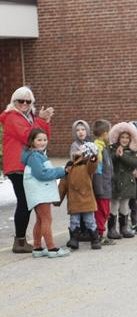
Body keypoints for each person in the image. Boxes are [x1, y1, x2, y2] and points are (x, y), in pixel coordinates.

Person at [0, 87, 55, 253]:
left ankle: (25, 240)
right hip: (17, 165)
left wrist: (43, 121)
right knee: (24, 202)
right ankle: (20, 241)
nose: (24, 104)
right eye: (20, 101)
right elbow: (29, 137)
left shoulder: (30, 117)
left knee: (28, 203)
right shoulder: (11, 117)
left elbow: (43, 137)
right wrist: (40, 120)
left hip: (28, 165)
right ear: (14, 102)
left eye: (28, 101)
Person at [21, 128, 70, 258]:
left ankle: (37, 247)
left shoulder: (38, 154)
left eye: (45, 139)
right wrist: (62, 171)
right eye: (39, 140)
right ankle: (52, 248)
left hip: (39, 193)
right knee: (47, 219)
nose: (42, 142)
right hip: (40, 193)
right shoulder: (35, 156)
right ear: (32, 141)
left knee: (41, 220)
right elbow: (41, 174)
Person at [61, 120, 100, 250]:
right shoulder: (70, 167)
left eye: (83, 129)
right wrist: (58, 197)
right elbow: (63, 183)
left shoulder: (87, 165)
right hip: (74, 197)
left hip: (86, 194)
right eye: (77, 130)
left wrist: (93, 157)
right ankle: (74, 238)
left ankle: (95, 238)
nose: (80, 132)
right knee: (74, 220)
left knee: (89, 219)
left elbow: (93, 165)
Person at [107, 122, 137, 239]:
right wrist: (116, 155)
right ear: (118, 137)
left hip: (128, 183)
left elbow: (135, 163)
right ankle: (111, 229)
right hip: (115, 182)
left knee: (125, 205)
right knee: (114, 204)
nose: (125, 140)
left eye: (127, 137)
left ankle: (124, 228)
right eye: (122, 137)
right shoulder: (112, 149)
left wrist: (123, 156)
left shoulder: (133, 151)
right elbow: (109, 161)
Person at [92, 120, 115, 245]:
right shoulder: (98, 148)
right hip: (102, 186)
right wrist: (99, 188)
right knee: (102, 211)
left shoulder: (104, 146)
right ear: (105, 133)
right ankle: (99, 235)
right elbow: (97, 170)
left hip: (106, 184)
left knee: (105, 211)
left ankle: (101, 233)